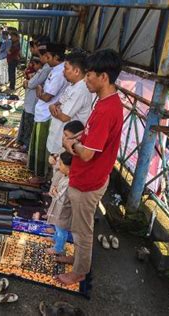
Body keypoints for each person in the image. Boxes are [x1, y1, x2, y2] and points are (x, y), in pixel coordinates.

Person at [58, 49, 123, 285]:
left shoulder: (107, 110)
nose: (86, 79)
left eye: (90, 75)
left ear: (103, 77)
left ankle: (80, 271)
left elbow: (86, 154)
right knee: (77, 224)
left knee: (82, 230)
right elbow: (90, 138)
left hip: (89, 179)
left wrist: (70, 144)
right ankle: (77, 261)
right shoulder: (106, 101)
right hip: (86, 175)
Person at [27, 43, 68, 183]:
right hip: (43, 111)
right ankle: (38, 171)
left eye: (48, 57)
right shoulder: (55, 69)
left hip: (47, 113)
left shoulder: (59, 73)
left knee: (43, 146)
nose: (46, 59)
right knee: (39, 143)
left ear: (56, 57)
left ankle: (41, 176)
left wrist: (39, 88)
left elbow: (46, 96)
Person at [46, 51, 94, 157]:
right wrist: (52, 106)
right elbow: (57, 103)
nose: (63, 72)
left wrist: (53, 108)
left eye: (66, 68)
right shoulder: (72, 85)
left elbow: (64, 117)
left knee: (60, 168)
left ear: (76, 71)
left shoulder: (81, 89)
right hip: (60, 136)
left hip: (68, 141)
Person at [16, 55, 51, 149]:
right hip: (32, 102)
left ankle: (27, 145)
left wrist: (29, 82)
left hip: (35, 104)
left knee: (29, 124)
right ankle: (25, 143)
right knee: (27, 123)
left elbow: (31, 84)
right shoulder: (41, 70)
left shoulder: (45, 70)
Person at [45, 151, 73, 256]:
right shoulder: (66, 176)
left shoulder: (69, 181)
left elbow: (60, 194)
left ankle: (58, 248)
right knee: (58, 225)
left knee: (61, 229)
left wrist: (53, 192)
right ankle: (55, 238)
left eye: (61, 164)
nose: (59, 166)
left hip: (64, 208)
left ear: (69, 168)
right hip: (60, 206)